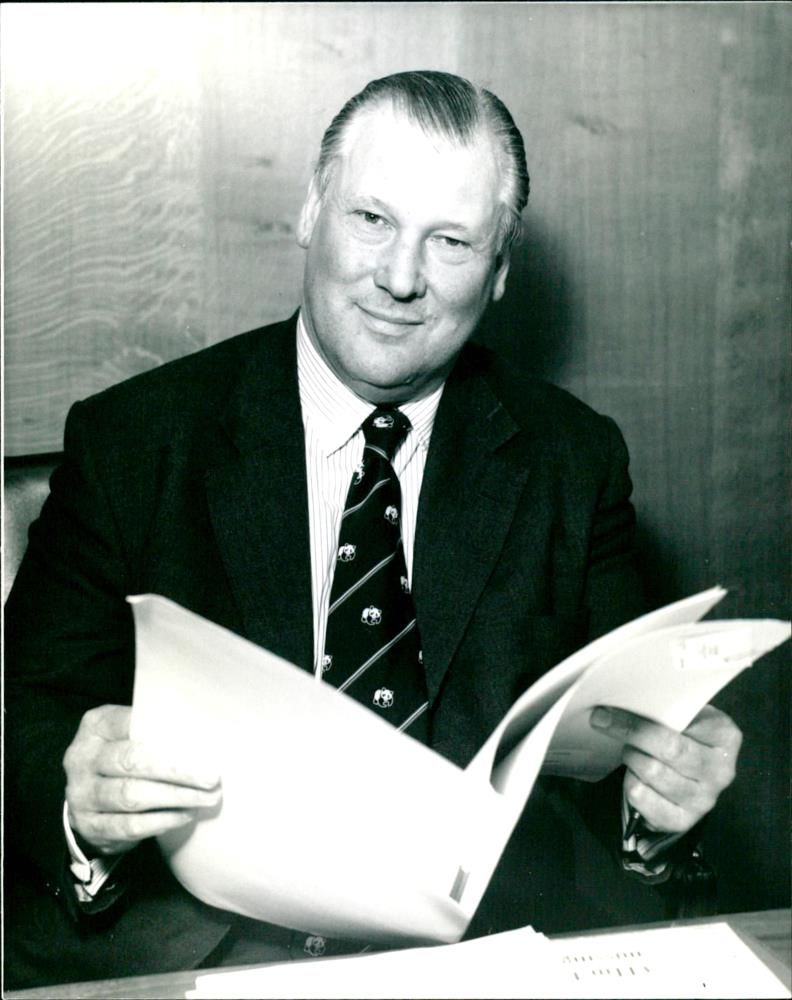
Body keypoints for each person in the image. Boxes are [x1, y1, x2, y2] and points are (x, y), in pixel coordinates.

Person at [4, 70, 742, 989]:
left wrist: (659, 801)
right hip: (199, 955)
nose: (401, 278)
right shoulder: (133, 441)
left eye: (452, 241)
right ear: (312, 214)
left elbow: (610, 745)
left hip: (472, 961)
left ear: (501, 272)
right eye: (373, 221)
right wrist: (80, 801)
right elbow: (19, 723)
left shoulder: (572, 458)